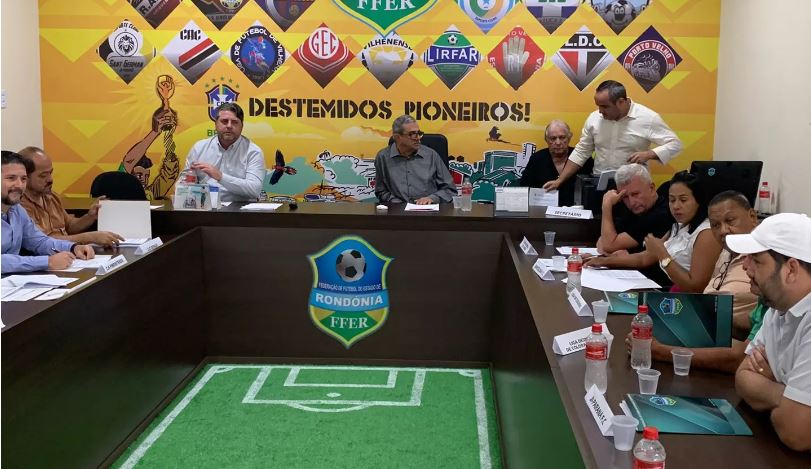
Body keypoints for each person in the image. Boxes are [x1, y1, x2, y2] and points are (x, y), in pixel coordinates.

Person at [623, 191, 762, 374]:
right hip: (704, 338)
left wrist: (661, 351)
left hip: (718, 356)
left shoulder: (763, 265)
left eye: (730, 221)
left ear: (752, 217)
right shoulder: (726, 251)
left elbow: (741, 356)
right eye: (715, 225)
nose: (723, 231)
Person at [728, 212, 811, 451]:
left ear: (791, 269)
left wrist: (770, 389)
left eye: (756, 259)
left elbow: (797, 432)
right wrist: (783, 394)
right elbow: (742, 377)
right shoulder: (777, 308)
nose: (745, 266)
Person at [586, 171, 722, 293]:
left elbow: (695, 287)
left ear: (699, 201)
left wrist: (662, 255)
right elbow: (644, 258)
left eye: (683, 200)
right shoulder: (678, 226)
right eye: (672, 200)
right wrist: (603, 261)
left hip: (686, 302)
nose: (676, 206)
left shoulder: (706, 233)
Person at [542, 80, 682, 192]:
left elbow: (675, 144)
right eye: (598, 106)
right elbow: (581, 151)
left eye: (604, 106)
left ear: (621, 102)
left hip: (634, 186)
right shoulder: (594, 119)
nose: (600, 111)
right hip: (600, 184)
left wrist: (649, 154)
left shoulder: (648, 118)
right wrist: (560, 180)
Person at [1, 151, 95, 274]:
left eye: (23, 179)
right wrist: (47, 262)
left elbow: (40, 241)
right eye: (11, 178)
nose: (19, 185)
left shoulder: (17, 210)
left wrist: (73, 247)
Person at [18, 147, 124, 247]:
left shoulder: (51, 196)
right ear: (25, 177)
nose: (50, 179)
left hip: (69, 252)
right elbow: (43, 242)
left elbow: (70, 226)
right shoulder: (20, 206)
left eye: (50, 173)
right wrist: (90, 237)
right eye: (43, 175)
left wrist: (90, 216)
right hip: (50, 256)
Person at [183, 102, 265, 202]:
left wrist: (220, 176)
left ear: (242, 126)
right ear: (216, 124)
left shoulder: (253, 152)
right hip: (206, 207)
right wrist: (185, 183)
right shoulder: (199, 148)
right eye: (224, 121)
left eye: (234, 122)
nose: (229, 126)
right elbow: (184, 183)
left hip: (240, 208)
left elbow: (254, 190)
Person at [374, 115, 456, 205]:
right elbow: (381, 191)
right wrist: (397, 203)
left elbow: (449, 189)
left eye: (419, 133)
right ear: (397, 137)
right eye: (412, 134)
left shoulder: (431, 155)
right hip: (397, 210)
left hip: (428, 210)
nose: (418, 138)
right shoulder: (383, 157)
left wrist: (432, 198)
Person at [597, 163, 673, 254]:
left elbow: (608, 245)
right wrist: (613, 251)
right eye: (625, 197)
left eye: (635, 194)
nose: (632, 202)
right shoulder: (638, 211)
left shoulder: (661, 214)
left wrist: (606, 206)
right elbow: (602, 241)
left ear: (652, 188)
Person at [519, 120, 593, 207]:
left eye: (562, 137)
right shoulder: (537, 159)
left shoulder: (583, 159)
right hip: (543, 211)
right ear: (546, 140)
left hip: (576, 211)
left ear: (569, 138)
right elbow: (525, 188)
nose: (558, 142)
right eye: (553, 138)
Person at [120, 107, 180, 199]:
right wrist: (155, 132)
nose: (143, 180)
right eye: (139, 175)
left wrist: (169, 136)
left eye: (146, 176)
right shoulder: (122, 188)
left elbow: (169, 175)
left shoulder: (150, 194)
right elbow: (129, 160)